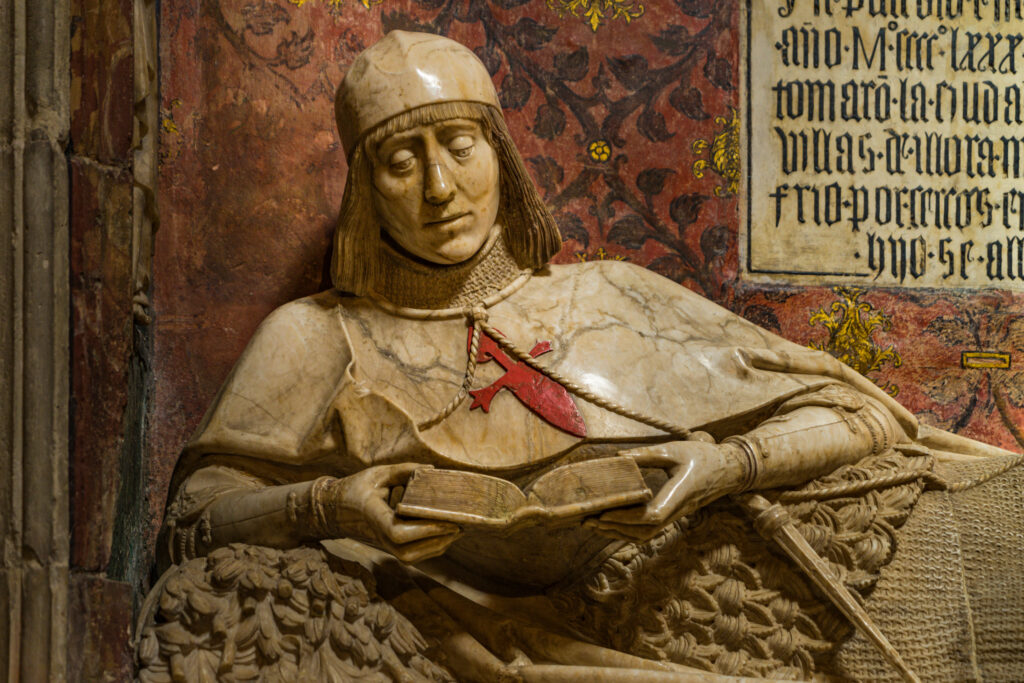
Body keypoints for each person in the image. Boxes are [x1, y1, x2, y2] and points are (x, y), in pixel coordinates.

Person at [142, 31, 1024, 683]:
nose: (441, 188)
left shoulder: (609, 293)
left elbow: (867, 413)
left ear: (501, 153)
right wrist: (332, 503)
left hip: (718, 571)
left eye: (458, 145)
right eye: (401, 162)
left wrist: (720, 463)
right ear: (364, 187)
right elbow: (194, 521)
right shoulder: (315, 335)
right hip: (489, 627)